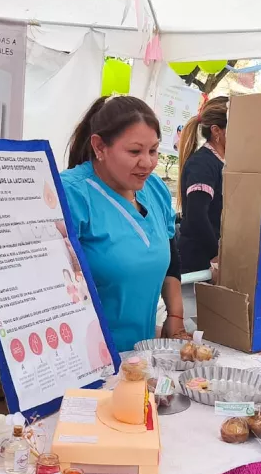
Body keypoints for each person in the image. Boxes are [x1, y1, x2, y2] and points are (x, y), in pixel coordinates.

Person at [60, 96, 186, 351]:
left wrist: (176, 316)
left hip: (141, 354)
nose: (147, 162)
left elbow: (170, 253)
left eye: (153, 150)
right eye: (134, 151)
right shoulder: (70, 195)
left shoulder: (155, 189)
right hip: (85, 356)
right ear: (99, 146)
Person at [177, 96, 228, 275]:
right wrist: (218, 253)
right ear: (216, 131)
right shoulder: (202, 165)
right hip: (198, 263)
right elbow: (197, 216)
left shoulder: (224, 162)